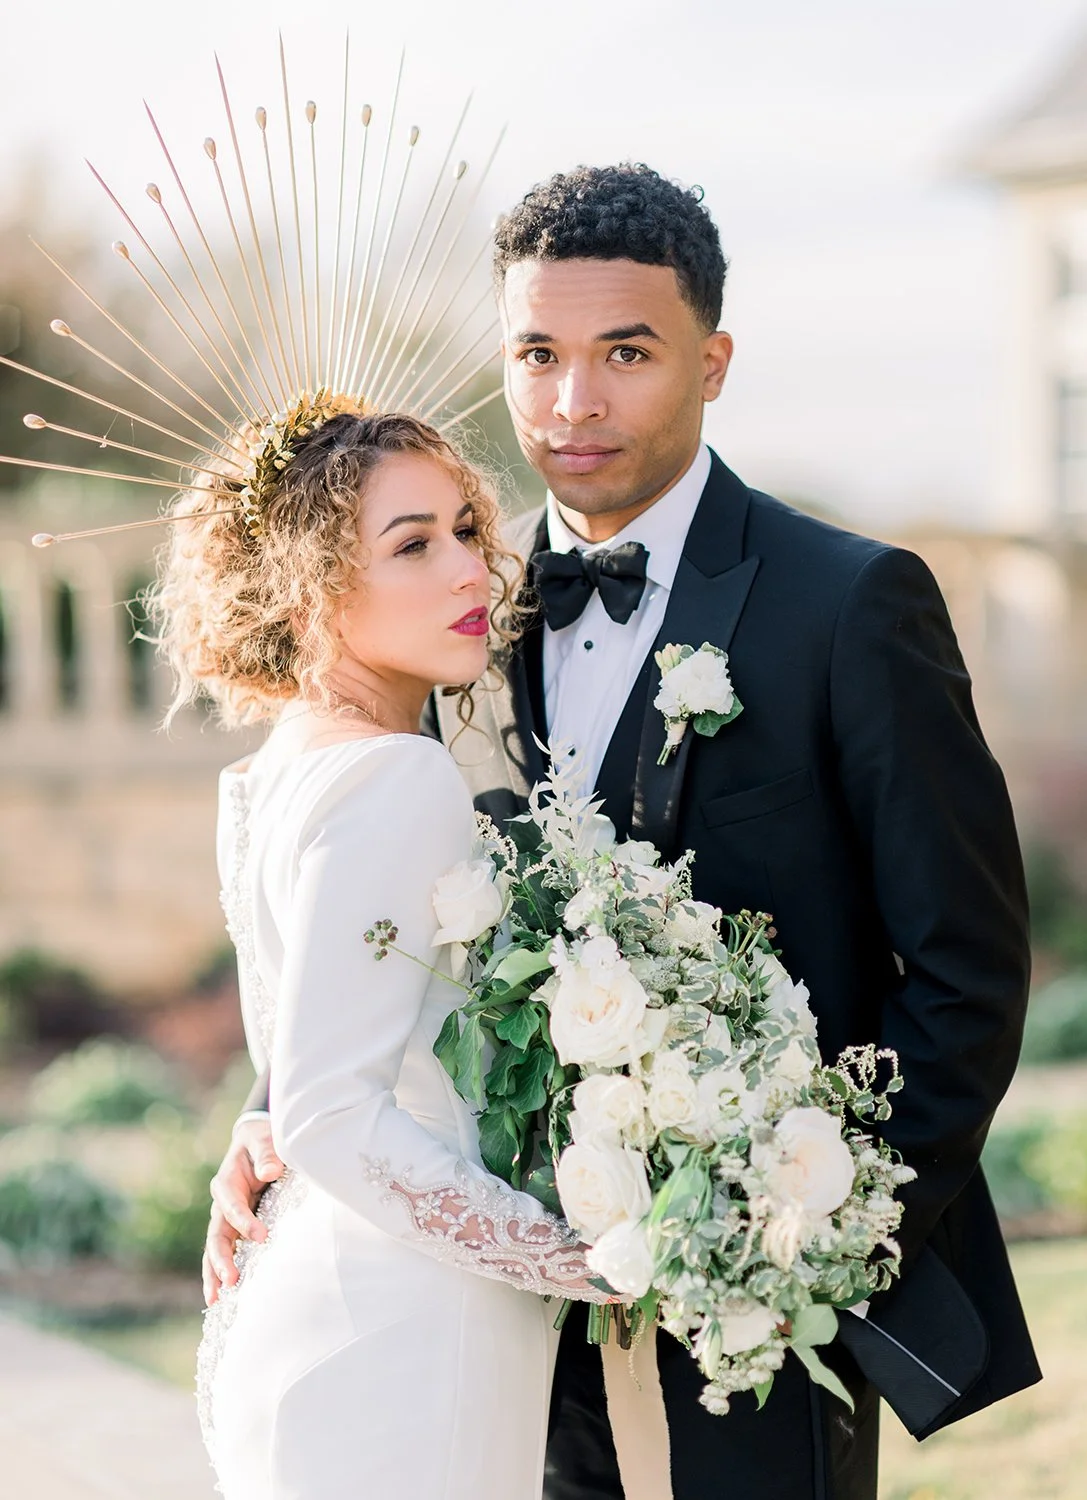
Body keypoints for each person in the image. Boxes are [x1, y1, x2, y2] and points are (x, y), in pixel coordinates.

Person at [206, 165, 1041, 1500]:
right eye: (536, 354)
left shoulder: (847, 606)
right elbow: (387, 919)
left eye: (625, 354)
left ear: (710, 363)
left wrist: (805, 1235)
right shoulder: (445, 616)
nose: (571, 402)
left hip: (744, 1322)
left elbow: (963, 970)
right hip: (486, 1328)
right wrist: (281, 1112)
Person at [156, 412, 610, 1499]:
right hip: (409, 1328)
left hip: (326, 1298)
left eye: (465, 528)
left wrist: (258, 1117)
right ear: (314, 589)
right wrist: (583, 1263)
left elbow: (313, 1041)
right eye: (412, 545)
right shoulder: (396, 779)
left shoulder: (282, 767)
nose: (470, 568)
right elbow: (332, 1112)